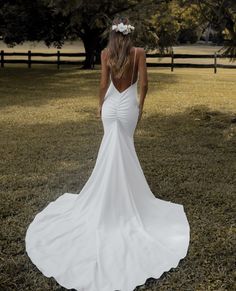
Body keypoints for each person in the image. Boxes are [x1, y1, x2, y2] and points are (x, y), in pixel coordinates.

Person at [25, 16, 190, 291]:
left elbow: (103, 84)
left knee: (111, 151)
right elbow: (145, 84)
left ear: (113, 35)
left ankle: (109, 197)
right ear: (130, 34)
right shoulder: (138, 53)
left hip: (112, 107)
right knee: (124, 150)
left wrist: (100, 106)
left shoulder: (105, 53)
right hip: (127, 108)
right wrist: (141, 106)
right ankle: (124, 200)